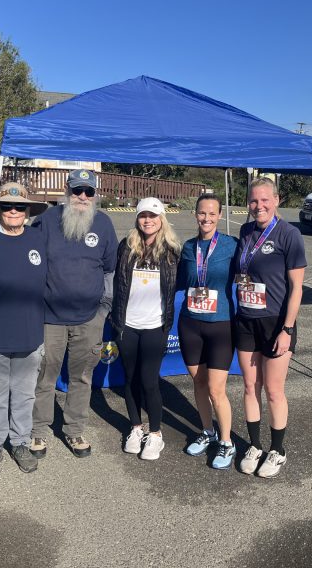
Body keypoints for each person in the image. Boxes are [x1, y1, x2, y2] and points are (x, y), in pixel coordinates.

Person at [29, 169, 118, 459]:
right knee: (44, 376)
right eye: (77, 190)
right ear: (67, 190)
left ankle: (74, 430)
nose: (82, 197)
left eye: (88, 192)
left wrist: (104, 309)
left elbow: (110, 271)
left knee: (81, 377)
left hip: (89, 317)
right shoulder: (45, 221)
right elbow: (29, 263)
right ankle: (38, 431)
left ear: (95, 195)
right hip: (49, 317)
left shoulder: (103, 224)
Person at [0, 182, 49, 477]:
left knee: (24, 395)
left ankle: (19, 442)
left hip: (30, 336)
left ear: (28, 210)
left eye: (19, 206)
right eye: (7, 206)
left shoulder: (38, 239)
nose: (14, 211)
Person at [234, 177, 306, 478]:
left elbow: (297, 287)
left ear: (276, 200)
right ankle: (255, 445)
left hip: (276, 323)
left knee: (274, 390)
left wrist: (287, 330)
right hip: (246, 320)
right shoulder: (245, 231)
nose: (258, 206)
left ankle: (278, 450)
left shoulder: (289, 234)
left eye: (264, 200)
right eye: (253, 200)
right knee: (251, 386)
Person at [111, 197, 180, 460]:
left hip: (155, 326)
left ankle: (155, 434)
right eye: (143, 216)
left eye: (153, 216)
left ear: (161, 218)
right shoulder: (126, 247)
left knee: (149, 381)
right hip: (127, 325)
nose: (147, 220)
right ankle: (136, 428)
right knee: (130, 379)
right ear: (137, 219)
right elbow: (117, 282)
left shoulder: (172, 251)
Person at [177, 194, 238, 469]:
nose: (207, 219)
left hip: (220, 324)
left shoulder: (230, 245)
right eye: (202, 213)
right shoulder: (188, 248)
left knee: (216, 388)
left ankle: (227, 442)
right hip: (190, 323)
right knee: (199, 382)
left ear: (220, 215)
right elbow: (176, 280)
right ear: (195, 214)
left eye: (212, 214)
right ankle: (207, 432)